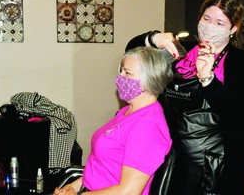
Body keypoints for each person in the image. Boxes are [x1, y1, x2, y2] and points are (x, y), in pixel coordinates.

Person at [125, 0, 244, 195]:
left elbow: (243, 114)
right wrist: (153, 37)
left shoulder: (240, 62)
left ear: (233, 29)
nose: (210, 26)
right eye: (206, 19)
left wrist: (208, 80)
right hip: (173, 155)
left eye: (220, 23)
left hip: (216, 163)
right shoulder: (180, 51)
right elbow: (132, 54)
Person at [53, 46, 173, 195]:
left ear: (150, 80)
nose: (120, 78)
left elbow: (128, 191)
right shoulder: (127, 111)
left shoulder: (148, 127)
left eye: (127, 73)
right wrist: (74, 187)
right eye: (121, 71)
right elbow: (103, 166)